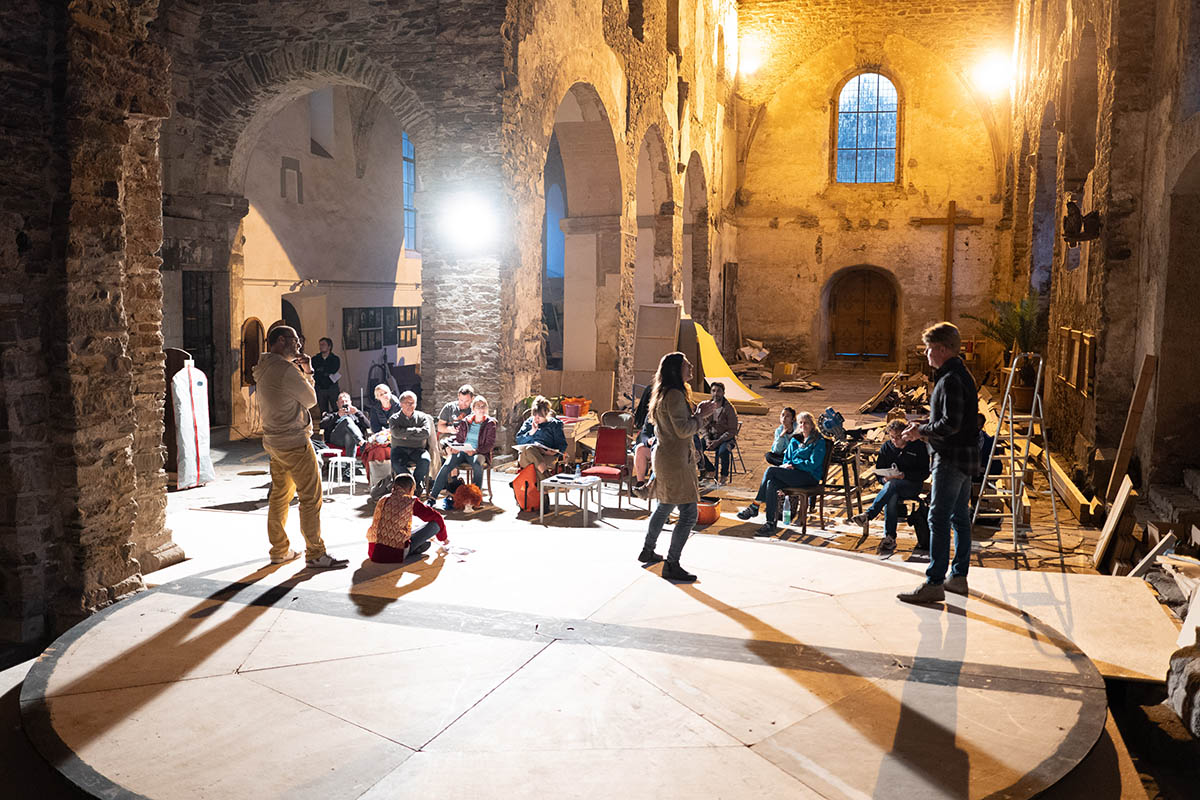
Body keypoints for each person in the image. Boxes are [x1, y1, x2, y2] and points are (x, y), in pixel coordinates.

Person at [897, 322, 981, 604]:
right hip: (964, 457)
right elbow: (949, 420)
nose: (926, 353)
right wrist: (922, 425)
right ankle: (958, 577)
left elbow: (951, 424)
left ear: (943, 349)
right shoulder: (957, 374)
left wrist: (922, 432)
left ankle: (934, 581)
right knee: (959, 516)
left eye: (930, 348)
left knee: (938, 516)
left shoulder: (950, 380)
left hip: (951, 458)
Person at [252, 325, 348, 569]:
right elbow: (311, 399)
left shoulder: (263, 366)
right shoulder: (284, 369)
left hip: (274, 441)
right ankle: (315, 552)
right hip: (294, 441)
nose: (300, 346)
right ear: (282, 340)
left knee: (279, 497)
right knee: (311, 498)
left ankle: (279, 550)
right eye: (296, 340)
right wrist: (308, 371)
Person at [639, 352, 716, 582]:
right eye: (686, 364)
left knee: (665, 505)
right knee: (689, 514)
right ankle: (672, 563)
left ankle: (648, 549)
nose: (691, 366)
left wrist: (696, 414)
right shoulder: (673, 395)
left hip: (668, 457)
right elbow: (683, 430)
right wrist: (701, 416)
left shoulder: (666, 393)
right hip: (675, 462)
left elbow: (675, 426)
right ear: (675, 370)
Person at [737, 411, 827, 536]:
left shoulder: (818, 441)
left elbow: (812, 464)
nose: (803, 426)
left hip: (809, 477)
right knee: (771, 483)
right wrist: (787, 465)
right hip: (793, 474)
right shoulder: (795, 440)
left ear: (812, 425)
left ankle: (755, 505)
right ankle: (770, 524)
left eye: (806, 423)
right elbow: (786, 459)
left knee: (770, 470)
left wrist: (795, 464)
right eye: (801, 423)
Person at [849, 418, 930, 554]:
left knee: (893, 486)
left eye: (898, 437)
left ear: (905, 434)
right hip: (891, 486)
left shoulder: (918, 447)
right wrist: (884, 479)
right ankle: (889, 537)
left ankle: (869, 515)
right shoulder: (887, 447)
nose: (895, 440)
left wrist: (905, 475)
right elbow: (879, 472)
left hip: (912, 485)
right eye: (892, 437)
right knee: (891, 494)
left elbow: (924, 473)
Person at [366, 473, 449, 562]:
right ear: (411, 488)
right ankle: (413, 549)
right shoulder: (410, 501)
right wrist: (444, 538)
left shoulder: (383, 499)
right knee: (435, 525)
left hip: (374, 552)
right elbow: (437, 517)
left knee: (409, 530)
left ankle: (416, 547)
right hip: (395, 554)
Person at [429, 396, 496, 501]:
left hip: (479, 452)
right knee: (447, 465)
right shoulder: (466, 421)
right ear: (473, 409)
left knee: (477, 465)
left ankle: (475, 499)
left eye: (483, 406)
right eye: (478, 407)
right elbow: (459, 438)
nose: (481, 409)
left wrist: (475, 451)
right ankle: (432, 497)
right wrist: (456, 447)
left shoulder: (490, 423)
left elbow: (489, 444)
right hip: (463, 451)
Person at [388, 391, 436, 492]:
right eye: (407, 403)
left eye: (413, 403)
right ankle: (411, 485)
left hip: (418, 449)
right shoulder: (394, 419)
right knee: (397, 464)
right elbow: (396, 433)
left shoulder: (422, 417)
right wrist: (416, 432)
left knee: (425, 460)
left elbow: (426, 433)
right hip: (399, 449)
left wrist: (405, 433)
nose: (410, 405)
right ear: (401, 404)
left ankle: (415, 485)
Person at [696, 381, 738, 483]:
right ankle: (709, 469)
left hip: (726, 438)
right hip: (711, 437)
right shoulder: (708, 406)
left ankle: (724, 475)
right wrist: (706, 439)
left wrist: (718, 441)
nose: (716, 393)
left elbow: (732, 430)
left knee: (723, 451)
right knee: (695, 448)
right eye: (713, 391)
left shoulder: (729, 408)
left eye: (718, 391)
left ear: (723, 393)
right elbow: (703, 426)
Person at [514, 395, 567, 477]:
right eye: (534, 416)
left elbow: (562, 445)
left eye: (539, 417)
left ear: (546, 415)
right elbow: (519, 440)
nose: (536, 419)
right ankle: (546, 477)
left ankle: (543, 483)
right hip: (526, 456)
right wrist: (531, 432)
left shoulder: (554, 425)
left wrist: (553, 453)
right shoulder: (529, 423)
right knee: (529, 449)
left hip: (547, 456)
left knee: (533, 465)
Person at [437, 384, 476, 450]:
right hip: (449, 438)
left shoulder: (475, 410)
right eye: (461, 400)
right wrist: (449, 429)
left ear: (472, 399)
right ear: (458, 396)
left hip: (467, 439)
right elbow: (440, 427)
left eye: (467, 401)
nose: (463, 403)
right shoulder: (449, 407)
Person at [311, 337, 341, 415]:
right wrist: (323, 372)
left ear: (329, 346)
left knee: (336, 407)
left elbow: (333, 369)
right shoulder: (315, 359)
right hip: (320, 387)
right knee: (323, 410)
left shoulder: (335, 359)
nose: (321, 346)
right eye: (320, 345)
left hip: (332, 386)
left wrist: (321, 370)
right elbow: (314, 371)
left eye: (323, 344)